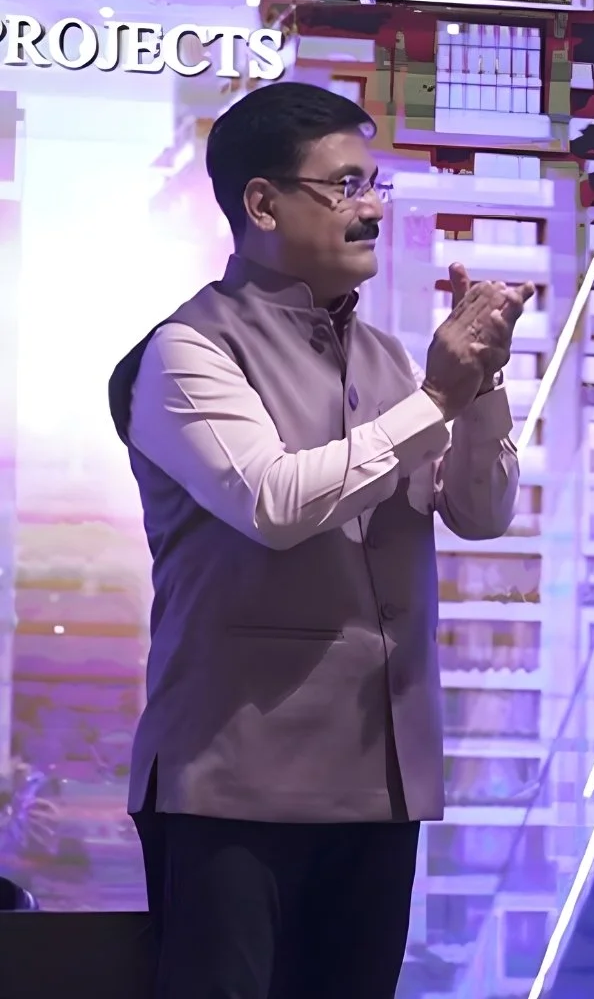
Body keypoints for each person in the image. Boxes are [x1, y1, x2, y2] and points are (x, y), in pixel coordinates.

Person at [105, 82, 532, 999]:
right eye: (343, 187)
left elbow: (481, 514)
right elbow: (276, 503)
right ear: (261, 203)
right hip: (233, 776)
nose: (371, 207)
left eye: (374, 183)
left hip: (383, 772)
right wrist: (439, 400)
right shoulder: (188, 351)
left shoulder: (387, 356)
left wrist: (484, 384)